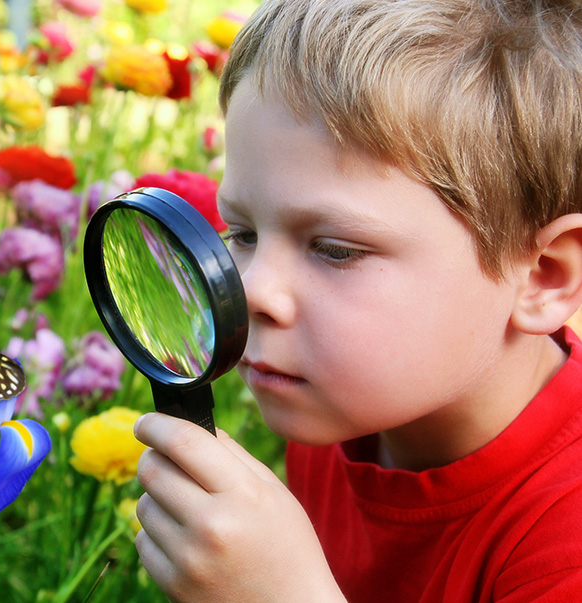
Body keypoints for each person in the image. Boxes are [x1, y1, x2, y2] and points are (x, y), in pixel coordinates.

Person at [133, 0, 582, 601]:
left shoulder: (563, 547)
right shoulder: (337, 414)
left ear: (542, 277)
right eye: (242, 233)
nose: (253, 290)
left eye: (336, 250)